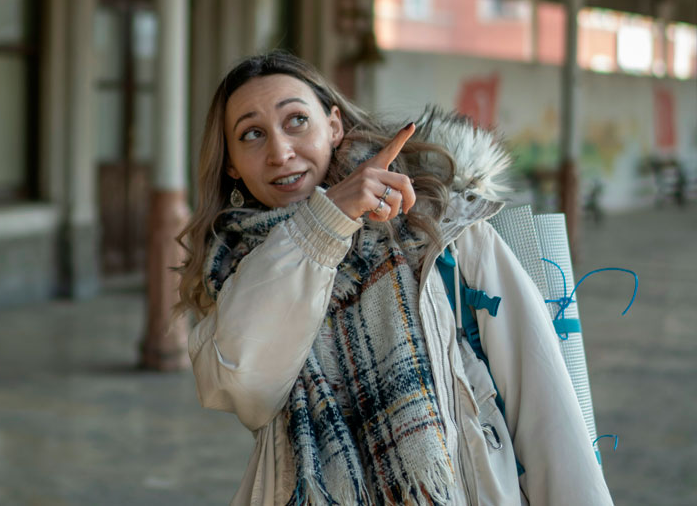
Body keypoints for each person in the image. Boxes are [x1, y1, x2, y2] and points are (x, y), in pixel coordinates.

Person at [180, 51, 612, 505]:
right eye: (252, 134)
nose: (280, 152)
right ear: (231, 164)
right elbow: (243, 384)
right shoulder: (234, 269)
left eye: (297, 121)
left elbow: (543, 403)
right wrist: (325, 223)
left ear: (333, 125)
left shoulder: (441, 225)